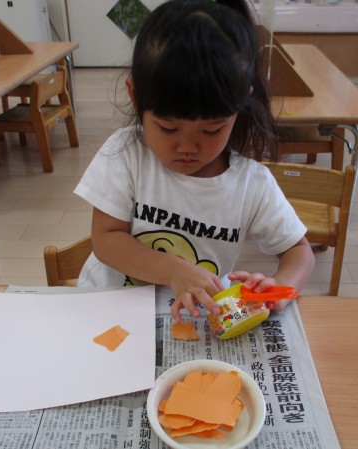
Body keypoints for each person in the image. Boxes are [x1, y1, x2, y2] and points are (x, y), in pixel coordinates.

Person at [74, 0, 315, 322]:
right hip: (110, 307)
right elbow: (106, 239)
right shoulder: (127, 153)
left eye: (212, 130)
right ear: (135, 95)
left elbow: (299, 251)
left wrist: (278, 288)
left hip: (197, 321)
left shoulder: (252, 184)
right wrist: (173, 270)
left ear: (241, 103)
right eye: (168, 128)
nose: (187, 147)